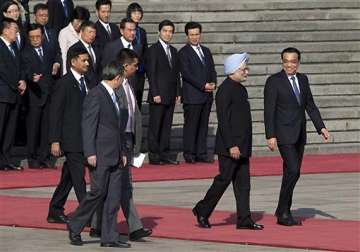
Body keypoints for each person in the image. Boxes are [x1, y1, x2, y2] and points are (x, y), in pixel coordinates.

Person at [193, 53, 264, 230]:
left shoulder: (240, 88)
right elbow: (223, 120)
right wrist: (232, 144)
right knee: (223, 180)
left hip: (242, 145)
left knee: (243, 185)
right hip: (229, 146)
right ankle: (203, 209)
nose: (246, 72)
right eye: (243, 69)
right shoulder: (225, 90)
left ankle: (244, 219)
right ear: (233, 70)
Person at [89, 49, 152, 241]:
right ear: (125, 66)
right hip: (116, 140)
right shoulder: (114, 87)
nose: (137, 68)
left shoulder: (128, 84)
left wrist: (136, 140)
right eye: (134, 65)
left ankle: (98, 225)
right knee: (119, 186)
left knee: (120, 185)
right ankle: (131, 227)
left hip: (127, 139)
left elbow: (134, 114)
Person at [67, 61, 131, 248]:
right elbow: (88, 126)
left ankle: (109, 236)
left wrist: (123, 151)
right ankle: (75, 224)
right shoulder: (95, 95)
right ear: (117, 77)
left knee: (113, 198)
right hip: (100, 154)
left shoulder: (114, 95)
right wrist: (90, 152)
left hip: (116, 155)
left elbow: (117, 128)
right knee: (97, 193)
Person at [264, 47, 330, 226]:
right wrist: (270, 135)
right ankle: (282, 211)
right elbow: (269, 111)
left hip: (300, 134)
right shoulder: (273, 81)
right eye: (286, 61)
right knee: (294, 171)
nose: (289, 65)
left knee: (290, 173)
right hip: (283, 134)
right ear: (282, 62)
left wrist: (321, 127)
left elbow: (310, 105)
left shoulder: (303, 79)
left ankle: (283, 210)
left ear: (298, 62)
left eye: (293, 61)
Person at [47, 47, 93, 224]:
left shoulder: (87, 81)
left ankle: (55, 209)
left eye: (88, 60)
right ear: (73, 62)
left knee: (68, 177)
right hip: (70, 139)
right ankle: (87, 214)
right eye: (83, 60)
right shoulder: (64, 83)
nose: (87, 63)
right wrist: (55, 140)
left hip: (84, 138)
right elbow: (55, 114)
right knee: (79, 178)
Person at [178, 21, 217, 164]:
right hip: (192, 96)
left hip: (207, 96)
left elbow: (212, 69)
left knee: (203, 126)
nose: (195, 37)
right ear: (187, 36)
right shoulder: (183, 52)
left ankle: (202, 153)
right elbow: (187, 74)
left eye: (197, 34)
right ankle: (189, 153)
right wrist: (203, 85)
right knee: (191, 126)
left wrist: (213, 83)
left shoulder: (206, 51)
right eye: (192, 34)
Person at [21, 23, 57, 169]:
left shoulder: (48, 50)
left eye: (37, 36)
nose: (35, 39)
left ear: (42, 36)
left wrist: (56, 64)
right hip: (33, 96)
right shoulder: (25, 53)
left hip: (48, 94)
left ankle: (44, 157)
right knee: (33, 128)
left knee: (46, 128)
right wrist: (31, 78)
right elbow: (24, 71)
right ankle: (32, 157)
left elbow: (53, 66)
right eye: (32, 37)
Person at [146, 19, 181, 165]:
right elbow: (151, 73)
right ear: (159, 32)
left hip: (171, 94)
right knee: (156, 126)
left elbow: (176, 74)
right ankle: (154, 156)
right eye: (165, 31)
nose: (168, 34)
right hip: (158, 95)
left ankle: (165, 153)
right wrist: (155, 93)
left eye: (170, 31)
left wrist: (178, 92)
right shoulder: (153, 50)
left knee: (167, 126)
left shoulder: (173, 51)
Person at [0, 17, 26, 171]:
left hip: (14, 93)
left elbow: (21, 65)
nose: (17, 33)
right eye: (14, 30)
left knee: (10, 130)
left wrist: (23, 80)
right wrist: (16, 83)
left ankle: (6, 159)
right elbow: (2, 70)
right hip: (3, 93)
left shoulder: (15, 46)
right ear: (5, 29)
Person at [102, 17, 145, 108]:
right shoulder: (111, 47)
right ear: (121, 31)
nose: (133, 33)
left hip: (133, 90)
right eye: (129, 30)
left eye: (134, 30)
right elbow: (105, 70)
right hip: (116, 90)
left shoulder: (138, 47)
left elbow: (139, 70)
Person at [126, 2, 147, 110]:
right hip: (129, 70)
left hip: (140, 72)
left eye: (139, 12)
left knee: (138, 100)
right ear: (129, 14)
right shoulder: (125, 30)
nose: (137, 15)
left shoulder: (142, 32)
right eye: (134, 12)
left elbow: (145, 51)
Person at [58, 6, 89, 75]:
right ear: (72, 19)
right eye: (77, 21)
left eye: (82, 22)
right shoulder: (64, 32)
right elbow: (63, 55)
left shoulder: (84, 32)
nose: (80, 24)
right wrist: (65, 74)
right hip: (71, 70)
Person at [68, 20, 101, 88]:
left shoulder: (97, 47)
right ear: (81, 32)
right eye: (89, 32)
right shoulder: (74, 49)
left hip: (97, 86)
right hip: (84, 86)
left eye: (94, 32)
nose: (92, 35)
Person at [33, 3, 61, 75]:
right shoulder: (29, 32)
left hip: (53, 72)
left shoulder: (52, 32)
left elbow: (57, 50)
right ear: (34, 16)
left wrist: (57, 62)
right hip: (37, 73)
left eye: (46, 15)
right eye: (41, 15)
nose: (44, 18)